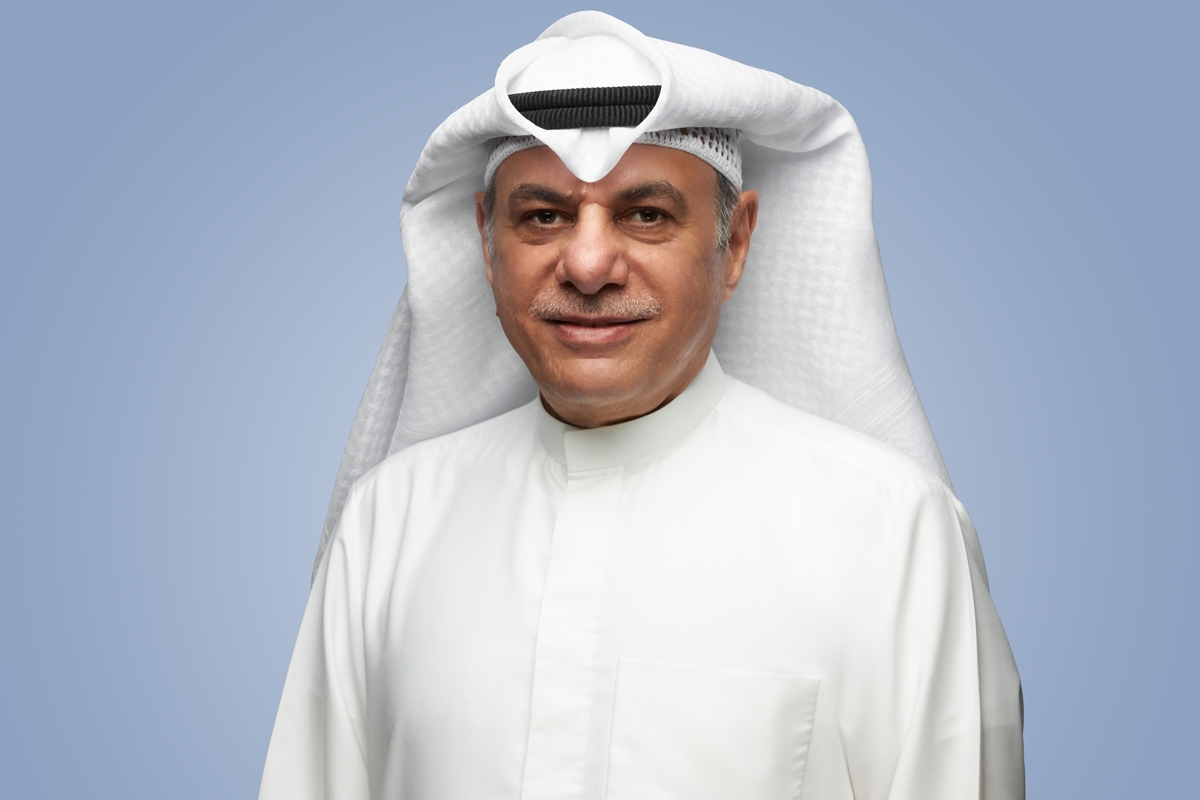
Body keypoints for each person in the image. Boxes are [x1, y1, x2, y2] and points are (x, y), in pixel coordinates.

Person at [260, 11, 1024, 800]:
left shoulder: (891, 535)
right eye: (544, 216)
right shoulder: (389, 524)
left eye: (646, 214)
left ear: (735, 242)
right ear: (488, 240)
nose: (589, 264)